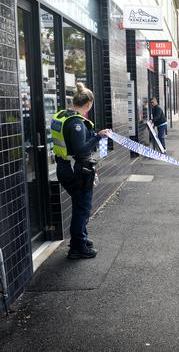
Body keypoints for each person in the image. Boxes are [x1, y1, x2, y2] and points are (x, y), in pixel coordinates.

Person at [51, 82, 110, 259]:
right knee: (82, 208)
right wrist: (99, 137)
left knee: (80, 205)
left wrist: (95, 134)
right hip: (76, 170)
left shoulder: (64, 115)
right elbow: (80, 149)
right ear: (89, 103)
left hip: (65, 167)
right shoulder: (76, 123)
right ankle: (77, 247)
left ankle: (80, 239)